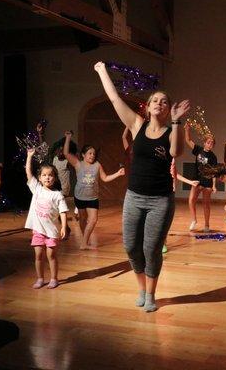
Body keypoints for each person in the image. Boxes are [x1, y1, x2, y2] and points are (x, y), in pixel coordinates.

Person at [94, 60, 190, 312]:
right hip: (134, 197)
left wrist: (178, 123)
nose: (159, 103)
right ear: (147, 107)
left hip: (160, 200)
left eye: (164, 101)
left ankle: (151, 294)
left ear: (169, 110)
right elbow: (115, 100)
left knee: (151, 248)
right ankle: (140, 287)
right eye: (155, 100)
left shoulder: (172, 131)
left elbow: (176, 151)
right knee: (130, 247)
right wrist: (102, 71)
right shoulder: (137, 125)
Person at [63, 131, 125, 249]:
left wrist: (118, 173)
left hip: (93, 198)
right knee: (82, 220)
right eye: (90, 153)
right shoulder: (77, 164)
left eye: (94, 154)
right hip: (80, 197)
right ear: (83, 155)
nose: (92, 155)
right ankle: (84, 242)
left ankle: (84, 243)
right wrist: (68, 138)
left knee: (93, 220)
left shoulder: (97, 165)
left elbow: (105, 178)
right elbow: (66, 153)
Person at [25, 148, 68, 289]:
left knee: (51, 255)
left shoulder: (57, 195)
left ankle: (54, 278)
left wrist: (63, 227)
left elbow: (63, 212)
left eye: (50, 175)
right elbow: (28, 172)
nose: (47, 177)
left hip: (51, 231)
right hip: (38, 230)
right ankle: (40, 278)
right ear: (40, 177)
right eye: (44, 175)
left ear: (54, 178)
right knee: (38, 255)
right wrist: (29, 156)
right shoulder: (36, 188)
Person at [184, 123, 218, 232]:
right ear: (204, 143)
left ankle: (207, 225)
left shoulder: (213, 157)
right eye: (208, 142)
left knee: (206, 204)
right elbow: (188, 140)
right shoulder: (198, 150)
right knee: (191, 200)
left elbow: (214, 173)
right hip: (197, 180)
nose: (210, 144)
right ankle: (194, 220)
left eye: (212, 143)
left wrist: (214, 185)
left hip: (207, 182)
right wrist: (187, 130)